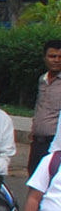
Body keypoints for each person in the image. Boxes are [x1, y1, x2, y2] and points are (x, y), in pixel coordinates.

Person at [28, 40, 61, 173]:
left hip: (55, 144)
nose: (56, 60)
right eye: (52, 56)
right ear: (45, 58)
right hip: (37, 142)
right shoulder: (42, 80)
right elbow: (39, 105)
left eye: (60, 57)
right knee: (34, 177)